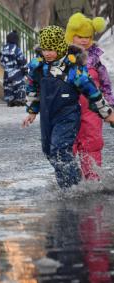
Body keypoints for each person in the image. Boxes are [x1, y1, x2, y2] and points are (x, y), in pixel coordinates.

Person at [22, 26, 114, 190]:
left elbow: (92, 91)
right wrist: (31, 111)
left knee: (59, 149)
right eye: (44, 49)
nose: (47, 53)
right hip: (47, 116)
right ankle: (67, 182)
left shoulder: (73, 69)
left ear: (59, 47)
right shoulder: (38, 68)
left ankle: (74, 186)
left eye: (51, 49)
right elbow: (32, 88)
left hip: (68, 115)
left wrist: (107, 113)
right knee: (49, 150)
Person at [65, 13, 114, 180]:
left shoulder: (96, 61)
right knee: (67, 144)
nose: (84, 40)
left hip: (91, 111)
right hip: (67, 110)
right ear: (71, 36)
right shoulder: (61, 59)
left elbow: (106, 85)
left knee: (91, 143)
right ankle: (70, 179)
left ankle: (93, 178)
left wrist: (109, 107)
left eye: (88, 37)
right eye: (79, 37)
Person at [0, 30, 27, 107]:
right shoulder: (17, 49)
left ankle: (10, 100)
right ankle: (20, 99)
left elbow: (1, 61)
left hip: (7, 72)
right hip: (16, 71)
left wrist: (6, 67)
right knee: (19, 85)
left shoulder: (4, 49)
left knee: (8, 86)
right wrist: (24, 69)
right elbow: (21, 60)